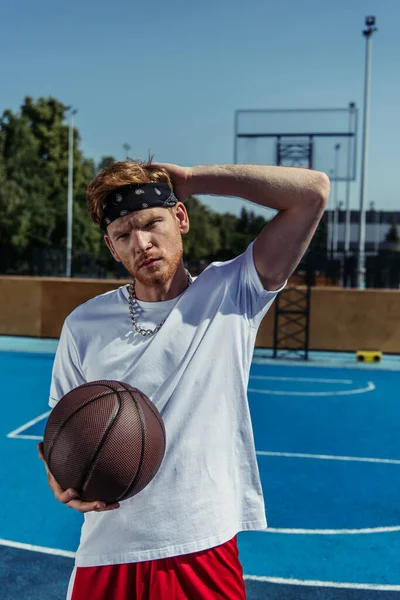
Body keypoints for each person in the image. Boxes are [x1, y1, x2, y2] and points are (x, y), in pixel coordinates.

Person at [38, 160, 329, 600]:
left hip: (201, 548)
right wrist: (59, 476)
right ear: (112, 248)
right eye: (123, 235)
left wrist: (195, 181)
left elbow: (312, 192)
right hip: (108, 551)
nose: (141, 243)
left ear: (180, 218)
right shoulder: (84, 324)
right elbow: (60, 431)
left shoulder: (233, 293)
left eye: (151, 223)